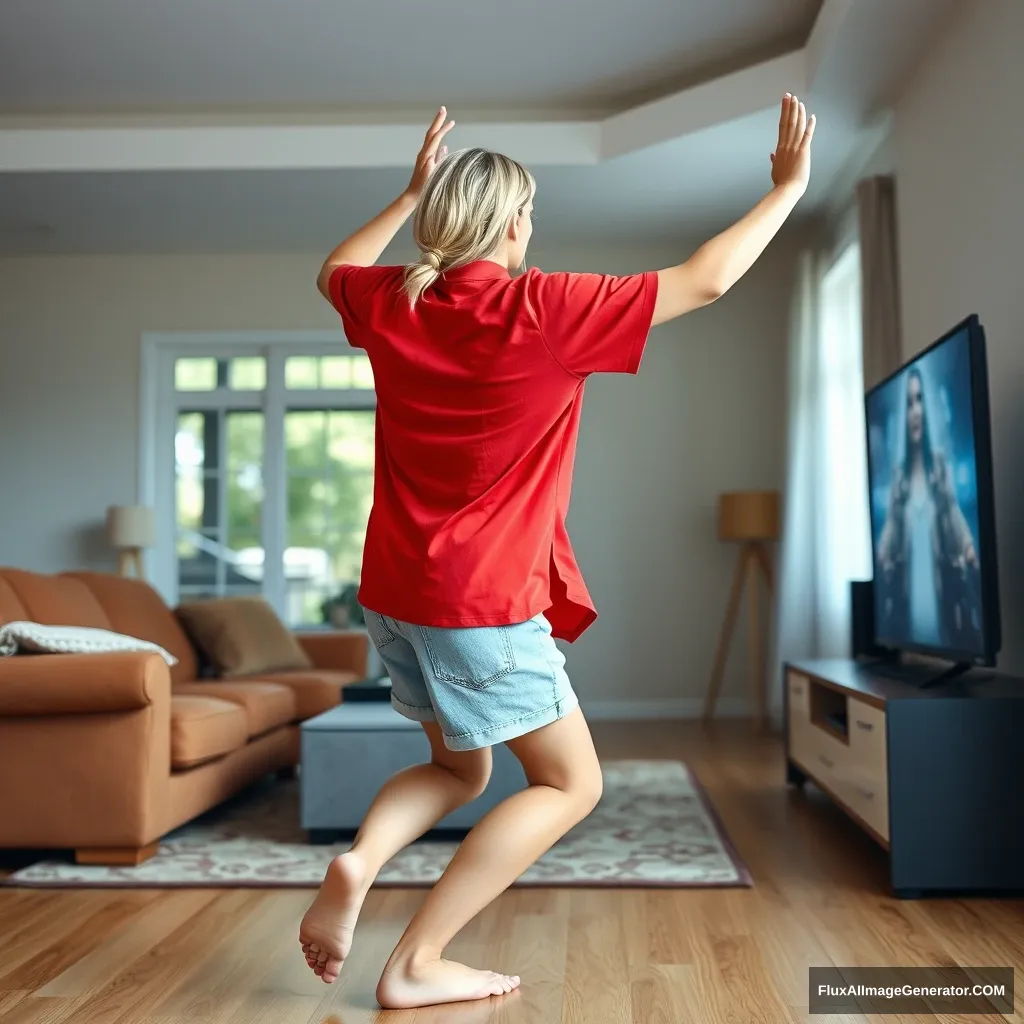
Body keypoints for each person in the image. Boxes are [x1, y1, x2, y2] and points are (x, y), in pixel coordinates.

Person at [298, 93, 816, 1010]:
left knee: (462, 768)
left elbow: (336, 265)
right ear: (505, 221)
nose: (535, 226)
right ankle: (415, 961)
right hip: (480, 603)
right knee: (572, 784)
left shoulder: (393, 300)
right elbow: (708, 278)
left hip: (393, 592)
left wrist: (407, 194)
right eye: (530, 210)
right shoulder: (547, 308)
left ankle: (361, 857)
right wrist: (788, 187)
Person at [876, 366, 979, 647]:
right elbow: (891, 527)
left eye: (920, 399)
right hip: (907, 620)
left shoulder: (940, 467)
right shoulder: (900, 477)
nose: (916, 411)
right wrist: (881, 551)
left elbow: (953, 512)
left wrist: (969, 547)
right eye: (909, 403)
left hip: (943, 617)